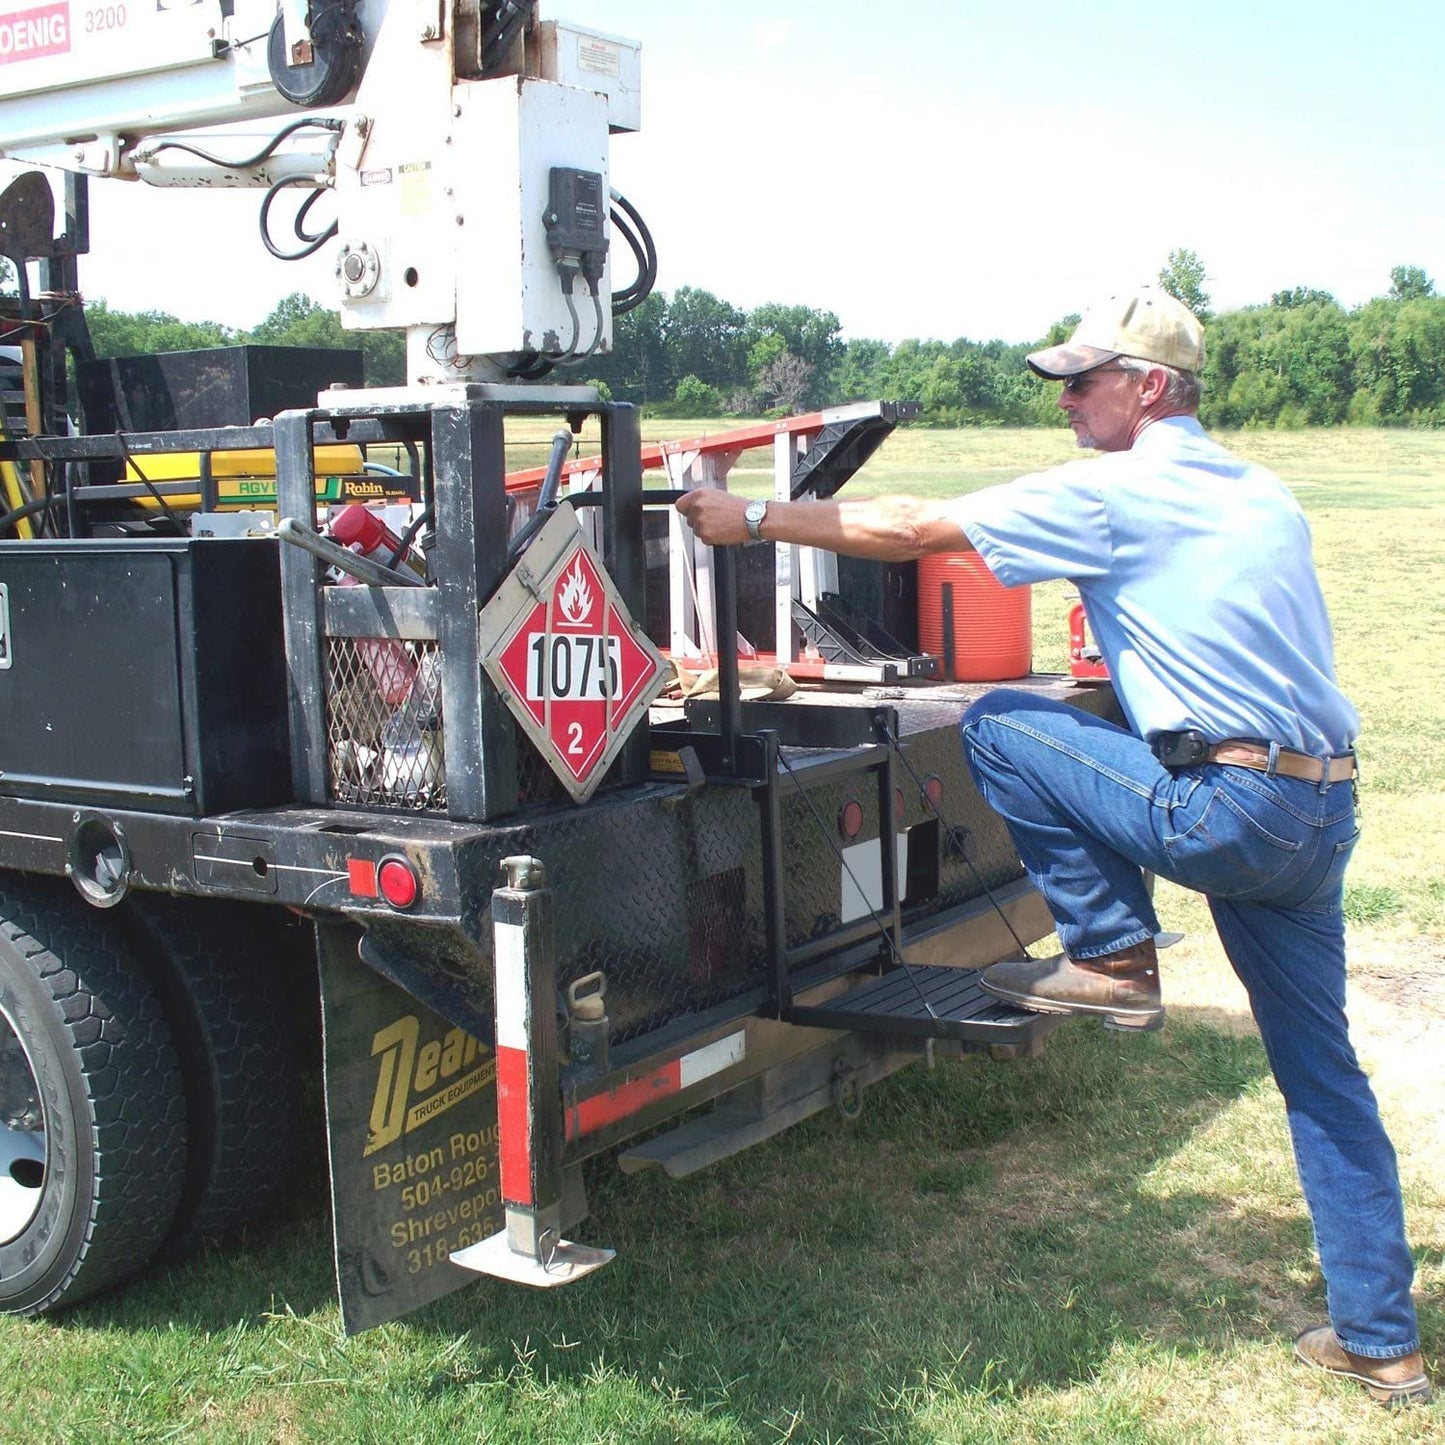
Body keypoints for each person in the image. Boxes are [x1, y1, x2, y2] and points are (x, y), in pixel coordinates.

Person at [675, 289, 1432, 1408]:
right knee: (1323, 1077)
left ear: (1150, 388)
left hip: (1227, 807)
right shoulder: (1259, 490)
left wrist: (750, 524)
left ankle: (1114, 957)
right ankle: (1381, 1340)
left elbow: (910, 528)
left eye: (1085, 379)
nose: (1067, 399)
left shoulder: (1119, 490)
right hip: (1317, 813)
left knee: (1000, 724)